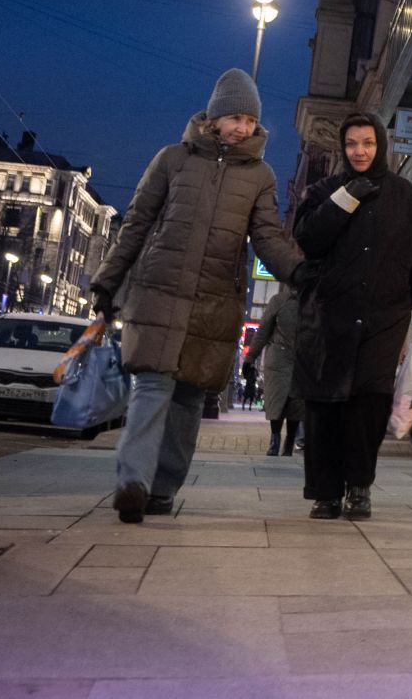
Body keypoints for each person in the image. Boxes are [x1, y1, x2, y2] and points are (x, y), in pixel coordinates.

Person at [89, 69, 304, 523]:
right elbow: (136, 224)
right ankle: (133, 483)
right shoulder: (171, 160)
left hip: (212, 304)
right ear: (214, 117)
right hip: (158, 293)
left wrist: (301, 272)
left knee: (187, 403)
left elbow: (267, 237)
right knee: (150, 389)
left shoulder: (260, 175)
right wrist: (108, 282)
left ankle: (163, 488)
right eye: (235, 117)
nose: (242, 128)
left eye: (250, 120)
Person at [290, 112, 412, 520]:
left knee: (368, 405)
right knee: (325, 405)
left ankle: (358, 487)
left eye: (368, 143)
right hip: (329, 316)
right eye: (352, 143)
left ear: (380, 146)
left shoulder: (404, 195)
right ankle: (325, 492)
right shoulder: (324, 190)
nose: (360, 151)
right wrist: (347, 197)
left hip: (383, 318)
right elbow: (308, 239)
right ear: (343, 147)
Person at [244, 287, 303, 455]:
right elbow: (262, 332)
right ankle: (275, 440)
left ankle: (288, 443)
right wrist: (249, 358)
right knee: (279, 402)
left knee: (296, 403)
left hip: (300, 361)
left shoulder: (313, 302)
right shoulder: (280, 301)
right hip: (279, 361)